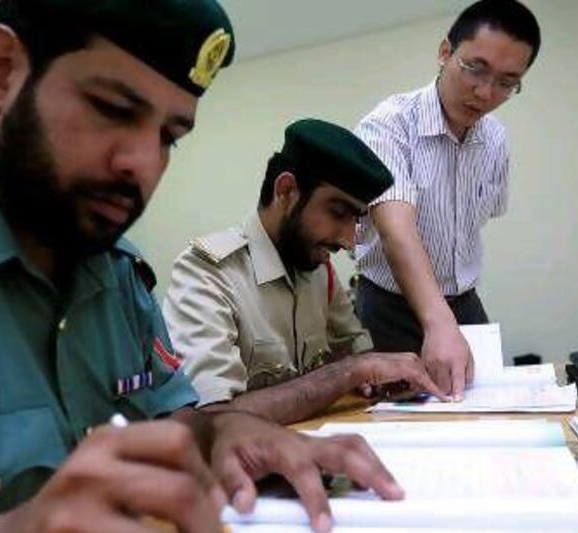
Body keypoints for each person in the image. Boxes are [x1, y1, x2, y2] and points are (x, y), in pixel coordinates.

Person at [0, 2, 403, 532]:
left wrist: (222, 435)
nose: (143, 165)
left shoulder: (116, 264)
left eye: (169, 137)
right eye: (113, 109)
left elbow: (173, 418)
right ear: (0, 72)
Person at [162, 119, 443, 425]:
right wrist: (351, 371)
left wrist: (389, 378)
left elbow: (361, 358)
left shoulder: (319, 270)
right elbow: (209, 421)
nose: (348, 240)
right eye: (338, 212)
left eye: (356, 219)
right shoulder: (207, 274)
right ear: (286, 191)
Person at [353, 0, 541, 401]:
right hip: (388, 308)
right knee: (398, 430)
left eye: (507, 82)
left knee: (489, 415)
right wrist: (438, 322)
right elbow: (395, 229)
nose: (485, 92)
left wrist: (451, 319)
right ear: (444, 52)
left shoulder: (495, 140)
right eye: (475, 68)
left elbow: (479, 220)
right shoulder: (388, 125)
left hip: (465, 307)